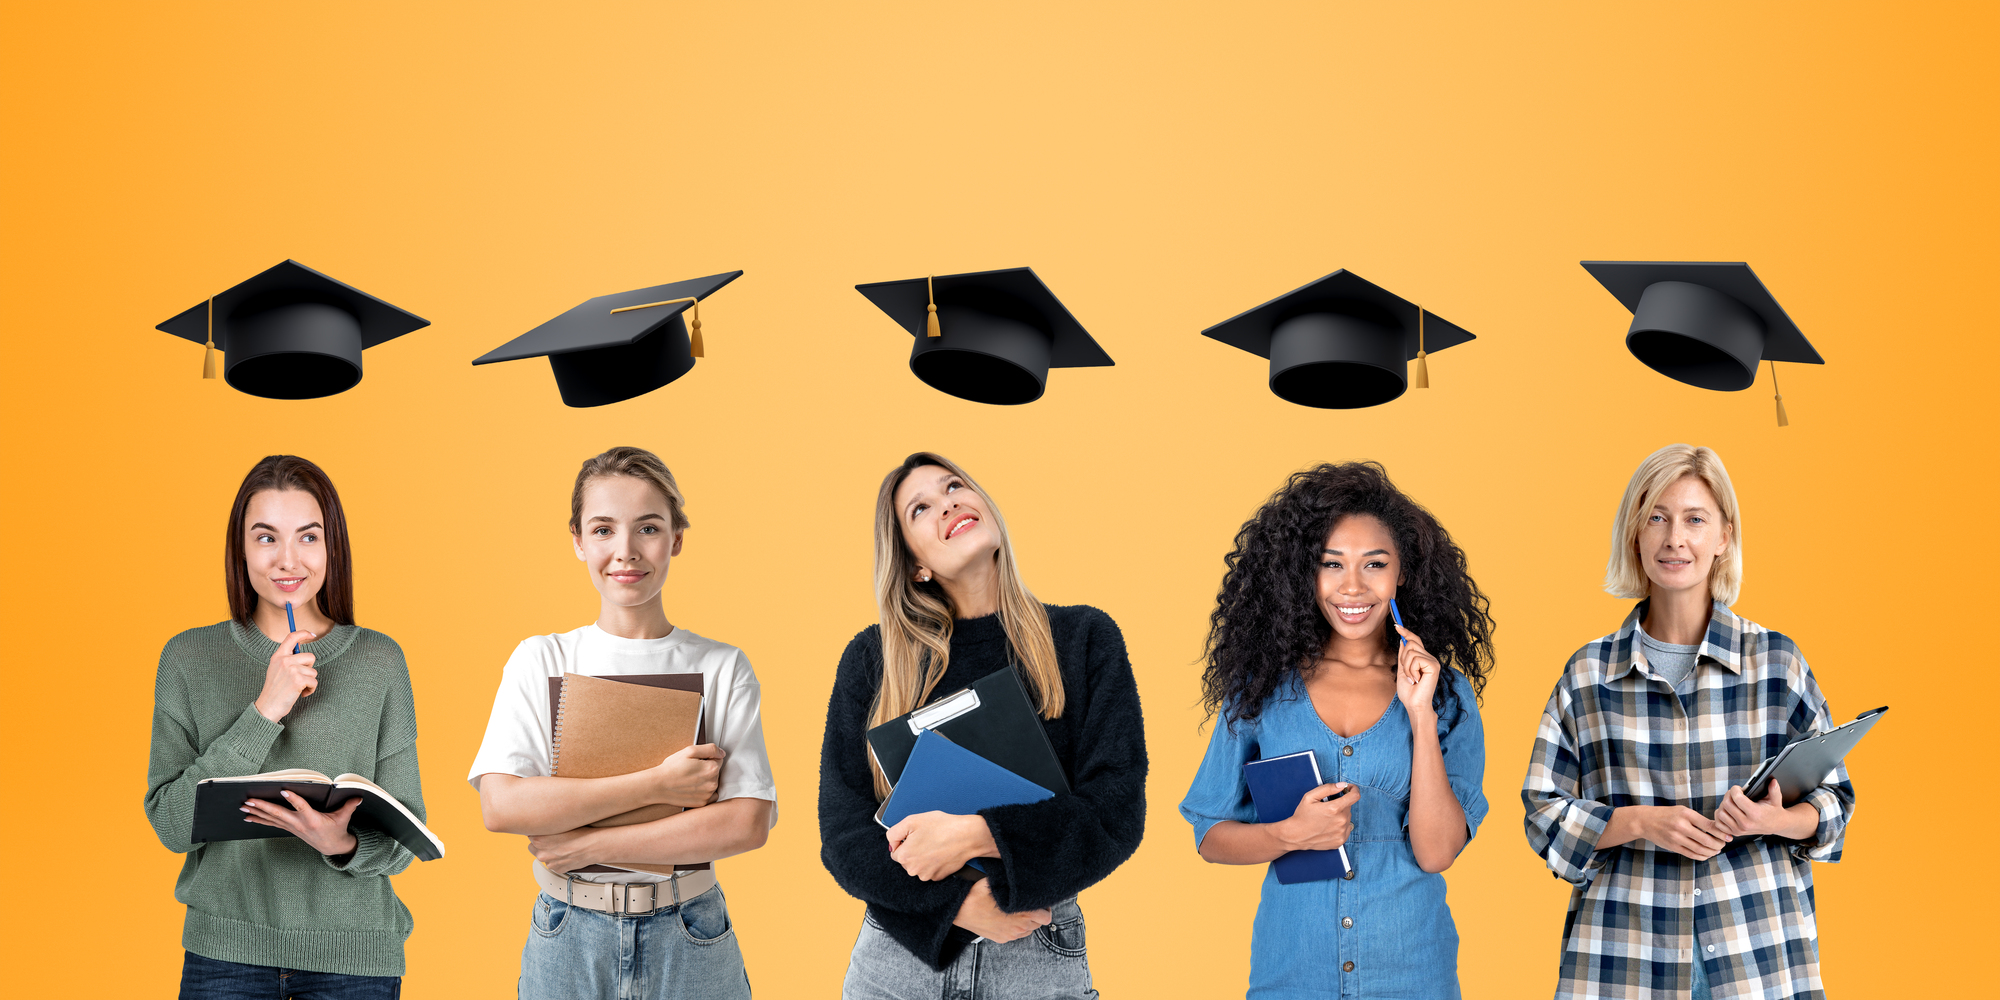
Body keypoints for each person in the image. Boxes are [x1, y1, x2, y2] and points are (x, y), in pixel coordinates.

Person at [1523, 444, 1856, 1000]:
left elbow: (1835, 805)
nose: (1675, 538)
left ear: (1724, 536)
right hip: (1623, 961)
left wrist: (1773, 820)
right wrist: (1641, 823)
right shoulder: (1589, 674)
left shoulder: (1777, 664)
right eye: (1657, 517)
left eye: (1695, 520)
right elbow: (1542, 815)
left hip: (1758, 960)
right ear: (1635, 533)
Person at [819, 452, 1147, 1000]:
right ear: (915, 564)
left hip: (1033, 953)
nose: (947, 502)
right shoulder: (872, 660)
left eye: (954, 486)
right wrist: (956, 908)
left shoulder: (1084, 639)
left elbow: (1115, 811)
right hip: (897, 961)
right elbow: (845, 835)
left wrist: (982, 833)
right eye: (920, 508)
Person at [469, 446, 776, 1000]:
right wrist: (659, 786)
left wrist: (588, 844)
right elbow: (503, 806)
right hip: (566, 930)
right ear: (578, 540)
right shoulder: (542, 659)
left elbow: (746, 823)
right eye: (604, 529)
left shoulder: (721, 666)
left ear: (676, 539)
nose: (626, 552)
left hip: (690, 930)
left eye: (648, 528)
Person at [1180, 461, 1495, 999]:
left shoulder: (1445, 695)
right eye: (1332, 564)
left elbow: (1437, 852)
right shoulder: (1260, 690)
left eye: (1375, 564)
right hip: (1293, 974)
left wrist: (1418, 712)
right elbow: (1209, 835)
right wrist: (1288, 835)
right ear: (1305, 573)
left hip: (1412, 974)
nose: (1353, 586)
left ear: (1403, 574)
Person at [145, 455, 425, 999]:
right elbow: (171, 825)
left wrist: (341, 843)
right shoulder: (187, 658)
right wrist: (266, 709)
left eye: (308, 537)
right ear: (241, 549)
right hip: (224, 959)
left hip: (356, 962)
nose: (288, 559)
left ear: (332, 547)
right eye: (266, 538)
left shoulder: (380, 661)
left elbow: (408, 838)